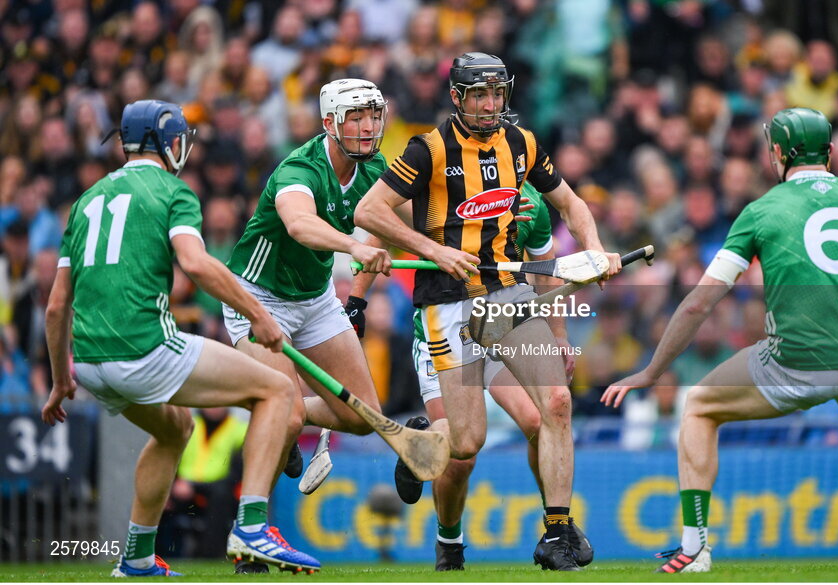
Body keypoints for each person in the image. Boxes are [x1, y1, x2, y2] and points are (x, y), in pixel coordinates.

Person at [602, 107, 838, 573]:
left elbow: (700, 303)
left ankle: (694, 546)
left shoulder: (761, 210)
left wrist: (652, 371)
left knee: (699, 405)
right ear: (827, 153)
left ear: (778, 153)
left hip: (794, 365)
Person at [355, 53, 621, 571]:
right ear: (456, 98)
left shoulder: (521, 145)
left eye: (498, 94)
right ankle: (422, 449)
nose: (491, 104)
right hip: (446, 304)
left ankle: (559, 532)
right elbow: (369, 212)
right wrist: (431, 253)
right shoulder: (427, 149)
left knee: (556, 405)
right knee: (467, 444)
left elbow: (573, 205)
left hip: (507, 298)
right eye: (479, 94)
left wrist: (594, 248)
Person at [41, 100, 320, 576]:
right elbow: (194, 263)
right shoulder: (173, 190)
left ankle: (137, 557)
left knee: (174, 429)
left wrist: (60, 380)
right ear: (167, 141)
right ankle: (251, 527)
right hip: (146, 348)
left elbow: (55, 304)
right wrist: (258, 314)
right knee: (277, 390)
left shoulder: (86, 200)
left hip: (87, 362)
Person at [221, 78, 394, 571]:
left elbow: (393, 229)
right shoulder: (299, 168)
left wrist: (359, 295)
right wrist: (355, 246)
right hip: (257, 298)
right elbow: (300, 224)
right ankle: (248, 536)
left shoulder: (375, 169)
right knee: (287, 414)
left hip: (315, 299)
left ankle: (283, 413)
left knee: (362, 417)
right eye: (354, 117)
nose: (366, 126)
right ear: (328, 124)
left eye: (373, 115)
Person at [387, 182, 592, 570]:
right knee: (462, 454)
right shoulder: (448, 187)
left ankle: (556, 524)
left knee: (540, 418)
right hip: (445, 327)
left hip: (499, 325)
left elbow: (546, 273)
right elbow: (387, 217)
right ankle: (449, 541)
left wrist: (560, 335)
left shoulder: (533, 203)